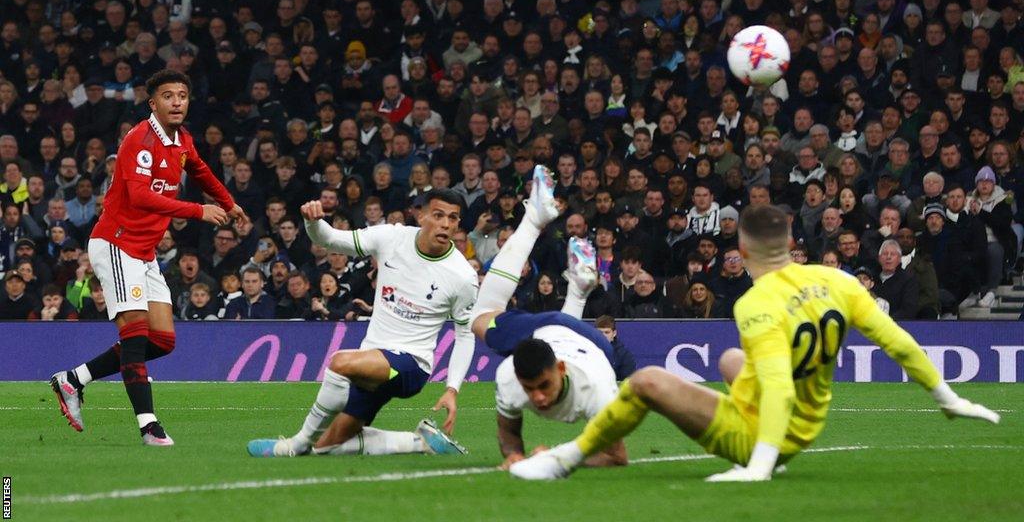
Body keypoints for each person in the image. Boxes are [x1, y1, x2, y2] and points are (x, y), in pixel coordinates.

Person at [510, 204, 1000, 482]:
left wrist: (758, 467)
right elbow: (900, 344)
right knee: (730, 359)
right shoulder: (841, 281)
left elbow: (779, 386)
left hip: (767, 436)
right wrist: (948, 397)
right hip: (808, 422)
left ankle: (564, 460)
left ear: (741, 253)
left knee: (645, 381)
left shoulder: (756, 304)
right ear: (791, 245)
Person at [50, 70, 249, 446]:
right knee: (136, 334)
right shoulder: (140, 141)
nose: (177, 102)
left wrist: (228, 203)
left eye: (183, 95)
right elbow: (140, 196)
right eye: (168, 96)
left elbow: (202, 170)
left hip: (144, 251)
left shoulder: (182, 140)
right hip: (116, 243)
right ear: (152, 103)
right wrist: (198, 211)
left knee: (162, 340)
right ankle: (149, 426)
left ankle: (72, 380)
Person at [247, 188, 478, 458]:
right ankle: (420, 442)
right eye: (438, 215)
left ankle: (295, 445)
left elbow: (465, 335)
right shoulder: (391, 237)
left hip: (410, 366)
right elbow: (331, 239)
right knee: (327, 448)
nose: (446, 224)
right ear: (421, 214)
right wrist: (312, 221)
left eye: (453, 218)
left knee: (340, 362)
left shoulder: (462, 276)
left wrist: (452, 390)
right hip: (373, 358)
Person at [457, 166, 625, 468]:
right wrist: (515, 456)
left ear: (559, 369)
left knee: (480, 314)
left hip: (565, 335)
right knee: (486, 316)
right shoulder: (510, 376)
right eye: (529, 388)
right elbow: (508, 435)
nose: (539, 399)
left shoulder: (597, 391)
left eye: (543, 386)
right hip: (594, 347)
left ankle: (534, 219)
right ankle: (578, 290)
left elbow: (617, 456)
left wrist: (553, 458)